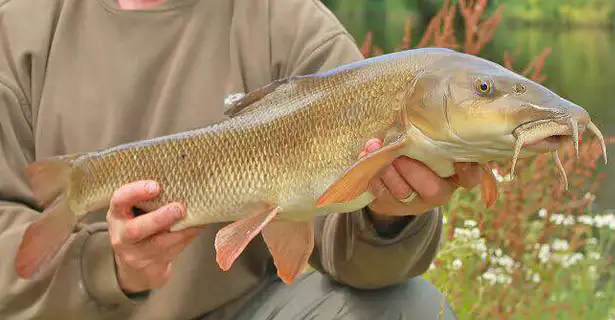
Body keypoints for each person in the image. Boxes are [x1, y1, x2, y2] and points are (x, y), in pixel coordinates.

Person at [0, 0, 481, 319]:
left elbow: (355, 260)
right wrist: (108, 268)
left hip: (238, 310)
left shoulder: (285, 20)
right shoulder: (18, 26)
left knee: (411, 310)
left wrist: (389, 215)